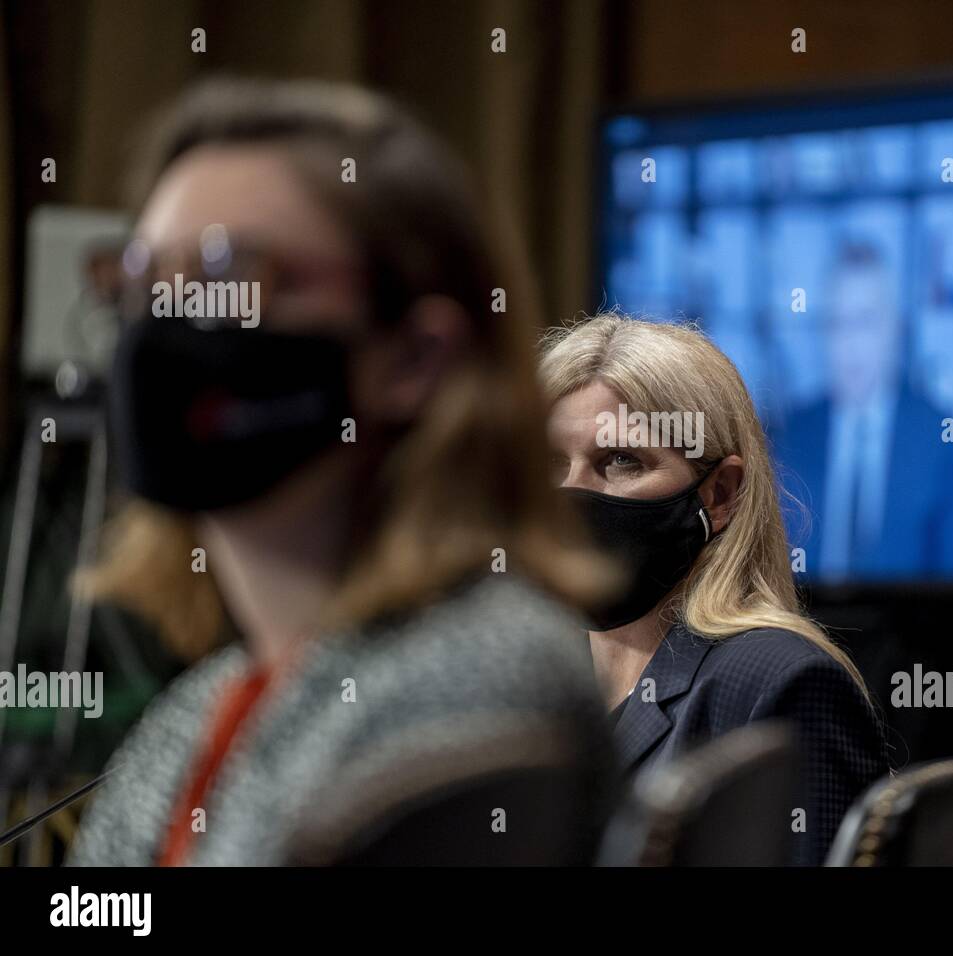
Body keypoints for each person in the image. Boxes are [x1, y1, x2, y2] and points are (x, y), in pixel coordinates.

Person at [69, 78, 612, 866]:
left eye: (231, 276)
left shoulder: (474, 683)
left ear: (415, 358)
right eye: (143, 279)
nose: (166, 322)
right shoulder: (204, 709)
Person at [541, 313, 891, 866]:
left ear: (721, 493)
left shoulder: (779, 684)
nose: (571, 494)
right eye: (549, 463)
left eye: (621, 460)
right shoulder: (528, 685)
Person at [772, 242, 953, 581]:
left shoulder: (936, 433)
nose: (849, 343)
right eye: (837, 323)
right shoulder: (792, 429)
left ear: (893, 330)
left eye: (865, 322)